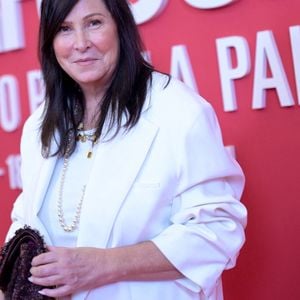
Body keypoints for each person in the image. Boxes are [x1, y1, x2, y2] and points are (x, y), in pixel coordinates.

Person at [2, 0, 247, 299]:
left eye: (94, 23)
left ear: (120, 26)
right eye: (65, 29)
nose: (80, 44)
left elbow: (218, 231)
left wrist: (104, 265)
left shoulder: (178, 111)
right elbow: (25, 222)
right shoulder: (39, 125)